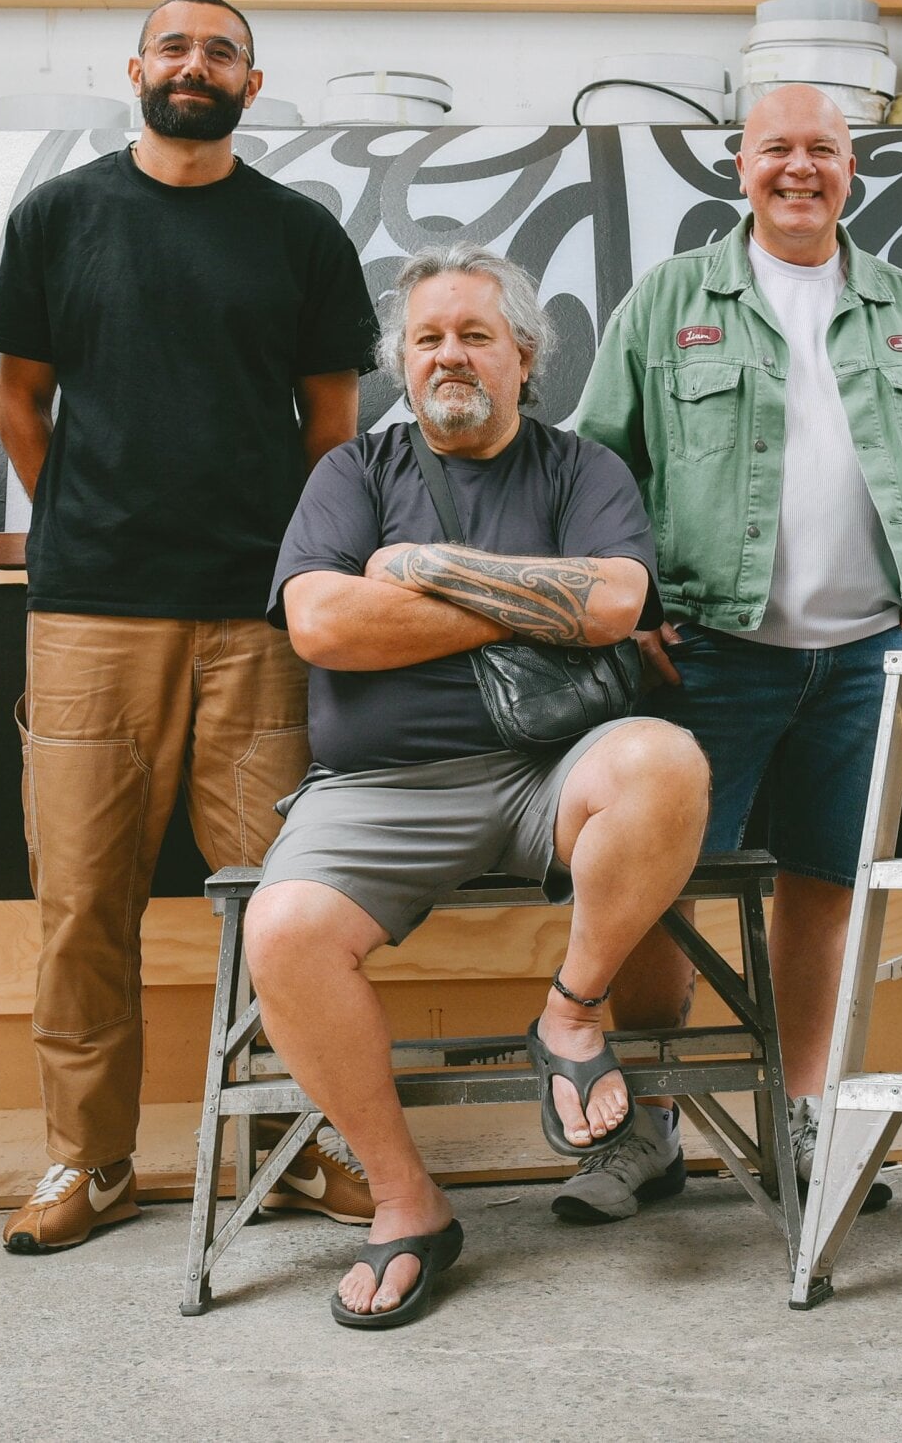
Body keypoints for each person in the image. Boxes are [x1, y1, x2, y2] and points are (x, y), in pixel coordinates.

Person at [245, 244, 711, 1327]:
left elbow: (613, 605)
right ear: (400, 365)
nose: (450, 356)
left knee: (664, 761)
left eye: (475, 336)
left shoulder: (580, 469)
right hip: (378, 789)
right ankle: (408, 1204)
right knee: (285, 932)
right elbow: (321, 624)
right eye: (427, 339)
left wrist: (415, 570)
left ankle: (571, 1014)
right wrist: (530, 599)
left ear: (525, 356)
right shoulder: (352, 477)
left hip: (553, 774)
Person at [0, 0, 377, 1253]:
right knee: (82, 902)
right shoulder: (58, 217)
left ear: (251, 86)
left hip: (257, 622)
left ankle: (295, 1146)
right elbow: (20, 406)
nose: (193, 66)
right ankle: (88, 1163)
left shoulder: (299, 234)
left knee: (284, 901)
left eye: (219, 51)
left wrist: (290, 560)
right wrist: (97, 523)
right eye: (173, 47)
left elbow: (333, 423)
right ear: (135, 71)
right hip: (91, 616)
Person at [571, 83, 902, 1222]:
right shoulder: (668, 302)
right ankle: (648, 1129)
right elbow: (598, 471)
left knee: (822, 889)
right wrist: (637, 614)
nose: (799, 168)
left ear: (851, 168)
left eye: (822, 149)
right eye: (777, 149)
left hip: (869, 660)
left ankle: (799, 1115)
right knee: (652, 891)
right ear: (739, 165)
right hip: (707, 657)